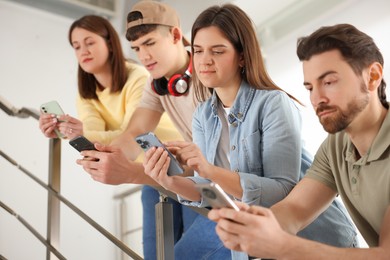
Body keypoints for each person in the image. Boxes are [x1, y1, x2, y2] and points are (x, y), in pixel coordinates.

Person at [143, 5, 358, 260]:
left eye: (218, 51)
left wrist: (207, 169)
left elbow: (281, 190)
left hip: (315, 240)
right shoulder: (203, 115)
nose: (204, 60)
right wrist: (170, 181)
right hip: (261, 244)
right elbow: (209, 192)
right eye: (198, 51)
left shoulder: (273, 103)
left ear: (242, 56)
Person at [208, 23, 390, 259]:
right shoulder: (336, 146)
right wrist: (254, 222)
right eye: (310, 87)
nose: (317, 98)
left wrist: (284, 246)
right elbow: (295, 209)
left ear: (373, 76)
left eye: (329, 82)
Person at [75, 2, 228, 259]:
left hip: (231, 185)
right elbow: (135, 131)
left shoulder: (209, 71)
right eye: (136, 48)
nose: (143, 56)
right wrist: (110, 155)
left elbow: (220, 158)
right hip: (199, 178)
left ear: (176, 35)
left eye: (150, 43)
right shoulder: (156, 83)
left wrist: (131, 172)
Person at [37, 14, 184, 259]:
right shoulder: (86, 95)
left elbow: (131, 134)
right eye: (76, 46)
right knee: (155, 252)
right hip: (147, 172)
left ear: (109, 43)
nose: (83, 50)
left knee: (186, 250)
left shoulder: (138, 77)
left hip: (179, 163)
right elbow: (97, 134)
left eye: (90, 42)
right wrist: (66, 131)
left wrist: (82, 132)